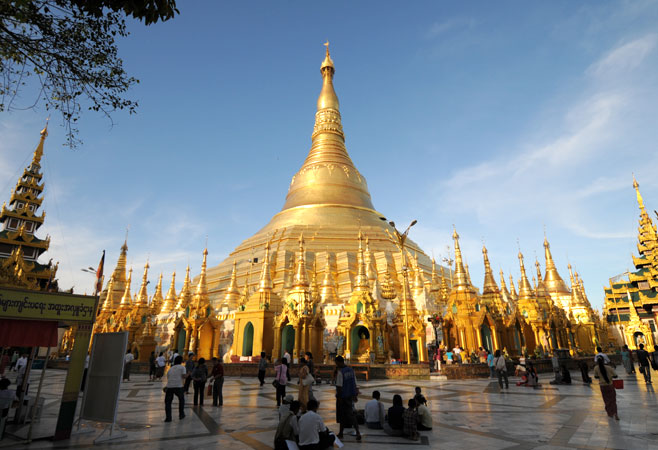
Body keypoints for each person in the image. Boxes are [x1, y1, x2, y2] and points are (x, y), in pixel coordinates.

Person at [334, 355, 361, 441]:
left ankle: (343, 433)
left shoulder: (340, 372)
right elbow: (355, 383)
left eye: (336, 363)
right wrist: (355, 394)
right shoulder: (351, 370)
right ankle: (356, 431)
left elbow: (339, 386)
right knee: (351, 414)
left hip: (343, 396)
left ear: (339, 362)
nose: (336, 364)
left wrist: (339, 397)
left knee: (343, 415)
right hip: (350, 395)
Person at [593, 355, 619, 420]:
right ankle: (615, 412)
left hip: (602, 386)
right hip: (610, 385)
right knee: (613, 399)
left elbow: (596, 377)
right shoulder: (609, 367)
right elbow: (615, 376)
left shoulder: (596, 368)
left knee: (606, 400)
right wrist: (610, 377)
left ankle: (610, 413)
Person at [164, 355, 187, 422]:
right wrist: (188, 374)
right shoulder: (182, 367)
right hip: (178, 386)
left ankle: (168, 418)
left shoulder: (171, 368)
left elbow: (168, 377)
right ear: (181, 361)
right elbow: (184, 376)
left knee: (168, 402)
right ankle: (181, 414)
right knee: (181, 400)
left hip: (170, 386)